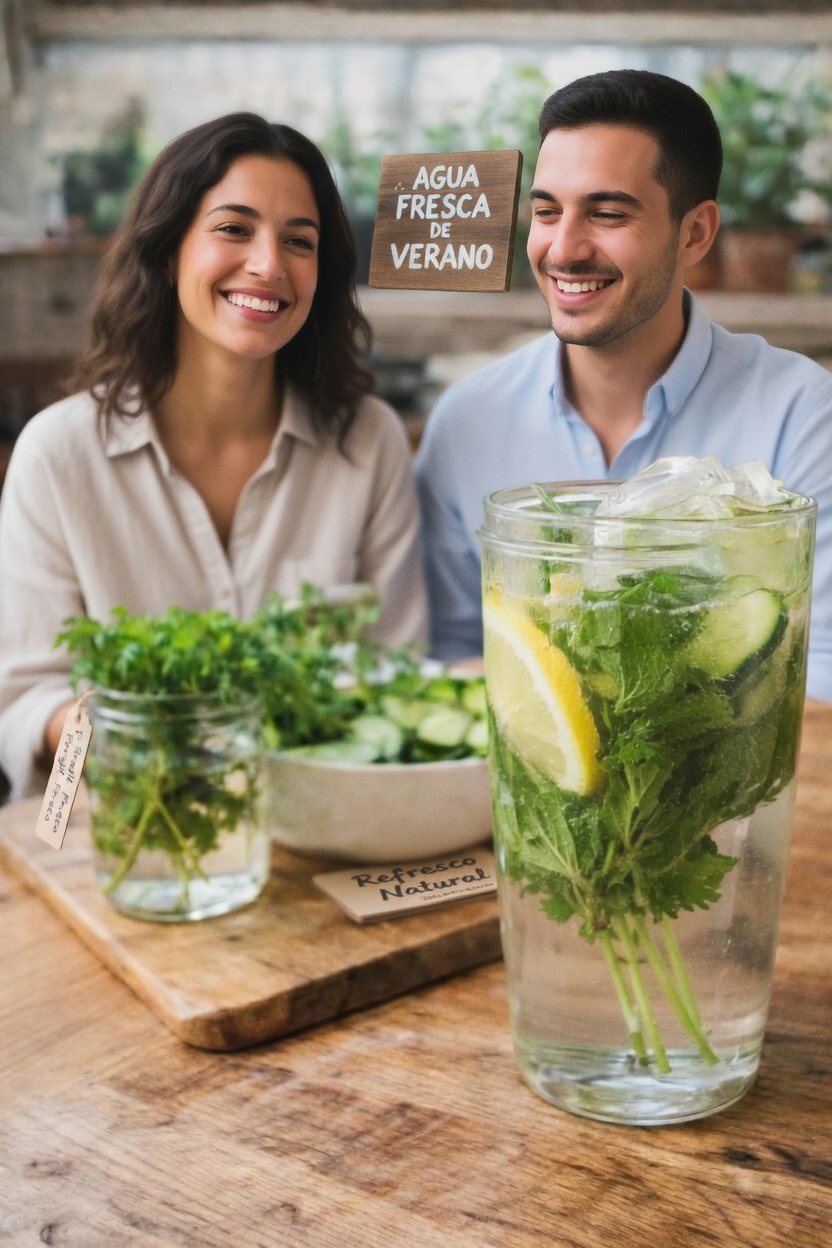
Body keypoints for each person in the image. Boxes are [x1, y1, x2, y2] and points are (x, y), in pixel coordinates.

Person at [0, 112, 427, 800]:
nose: (268, 264)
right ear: (169, 251)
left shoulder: (368, 441)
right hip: (111, 827)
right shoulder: (58, 454)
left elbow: (396, 672)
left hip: (314, 825)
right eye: (234, 229)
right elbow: (21, 706)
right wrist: (127, 741)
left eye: (300, 241)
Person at [415, 68, 832, 701]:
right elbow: (451, 658)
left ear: (695, 233)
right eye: (548, 211)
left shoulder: (803, 415)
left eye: (607, 214)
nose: (565, 248)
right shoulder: (467, 420)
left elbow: (822, 672)